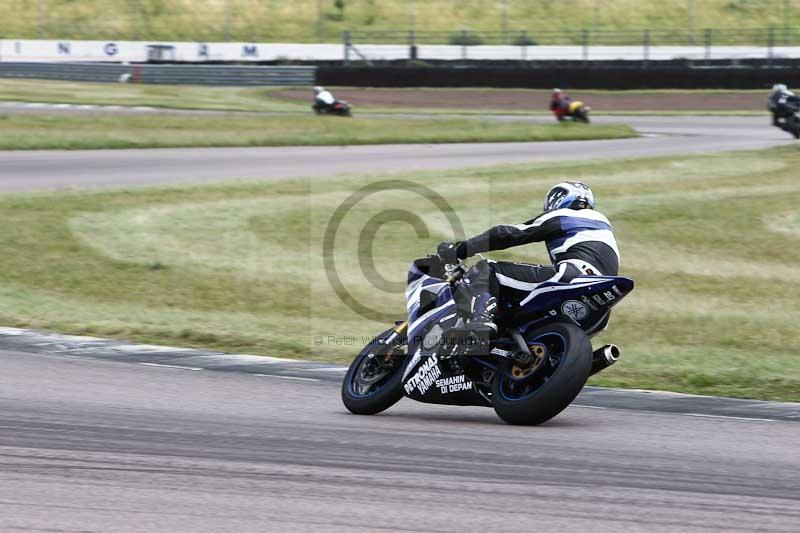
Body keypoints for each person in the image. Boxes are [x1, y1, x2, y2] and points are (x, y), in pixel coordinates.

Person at [437, 181, 619, 342]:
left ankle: (482, 321)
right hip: (600, 309)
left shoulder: (566, 215)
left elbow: (507, 234)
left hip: (573, 275)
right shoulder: (603, 226)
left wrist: (460, 250)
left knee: (487, 269)